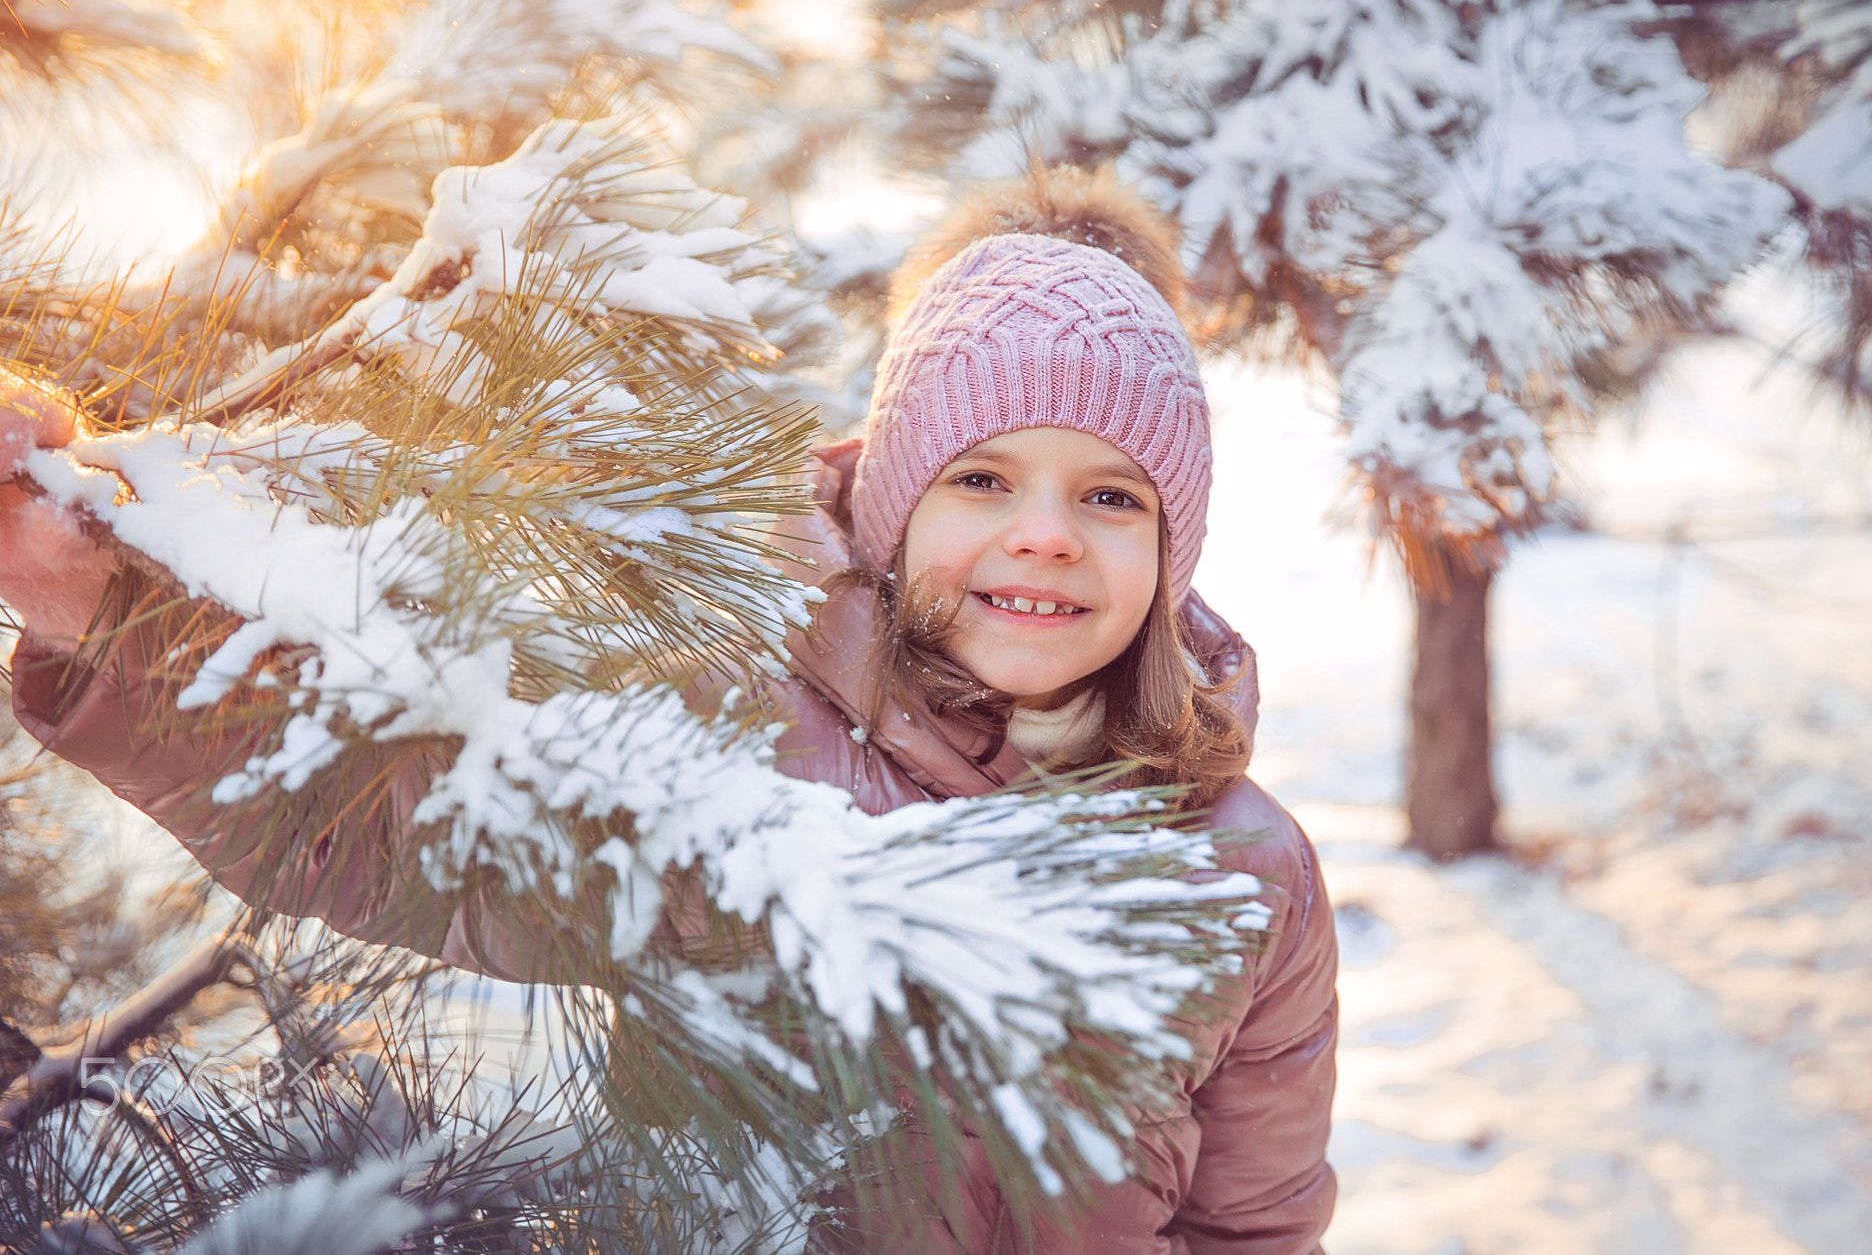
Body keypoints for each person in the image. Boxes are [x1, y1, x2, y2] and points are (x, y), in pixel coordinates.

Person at [0, 171, 1338, 1252]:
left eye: (1112, 497)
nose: (1046, 535)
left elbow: (1254, 1222)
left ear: (1175, 550)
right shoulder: (734, 731)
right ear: (890, 505)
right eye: (984, 478)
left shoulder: (1243, 870)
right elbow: (394, 831)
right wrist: (109, 616)